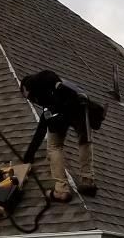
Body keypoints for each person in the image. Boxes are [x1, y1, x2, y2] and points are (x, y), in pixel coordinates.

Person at [20, 70, 105, 201]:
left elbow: (55, 83)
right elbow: (42, 128)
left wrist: (28, 157)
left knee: (54, 147)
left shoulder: (42, 80)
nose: (30, 100)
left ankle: (61, 189)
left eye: (27, 96)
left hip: (67, 108)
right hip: (80, 106)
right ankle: (88, 181)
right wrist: (29, 155)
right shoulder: (49, 93)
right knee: (85, 140)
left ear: (25, 87)